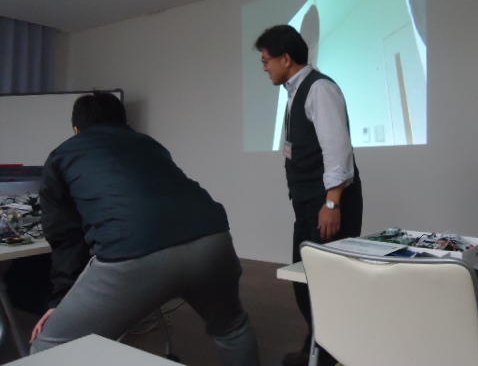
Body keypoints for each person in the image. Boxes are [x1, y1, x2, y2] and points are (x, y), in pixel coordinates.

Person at [31, 92, 260, 366]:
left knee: (50, 347)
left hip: (134, 253)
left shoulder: (62, 155)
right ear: (123, 123)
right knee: (233, 329)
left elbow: (65, 236)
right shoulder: (149, 144)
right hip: (212, 239)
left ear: (76, 130)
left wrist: (59, 301)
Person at [255, 25, 363, 366]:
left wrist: (331, 203)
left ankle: (330, 354)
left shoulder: (320, 89)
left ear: (286, 59)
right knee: (305, 281)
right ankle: (320, 347)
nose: (265, 68)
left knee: (325, 283)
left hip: (327, 204)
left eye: (266, 61)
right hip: (308, 204)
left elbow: (338, 153)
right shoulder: (294, 92)